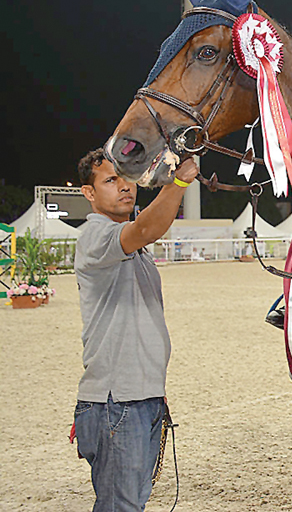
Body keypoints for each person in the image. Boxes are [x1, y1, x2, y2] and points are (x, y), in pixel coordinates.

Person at [72, 149, 198, 512]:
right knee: (121, 506)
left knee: (131, 503)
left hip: (139, 397)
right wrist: (179, 183)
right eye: (110, 180)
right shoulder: (96, 236)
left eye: (126, 177)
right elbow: (146, 228)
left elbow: (148, 223)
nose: (124, 186)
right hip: (118, 401)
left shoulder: (128, 241)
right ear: (89, 194)